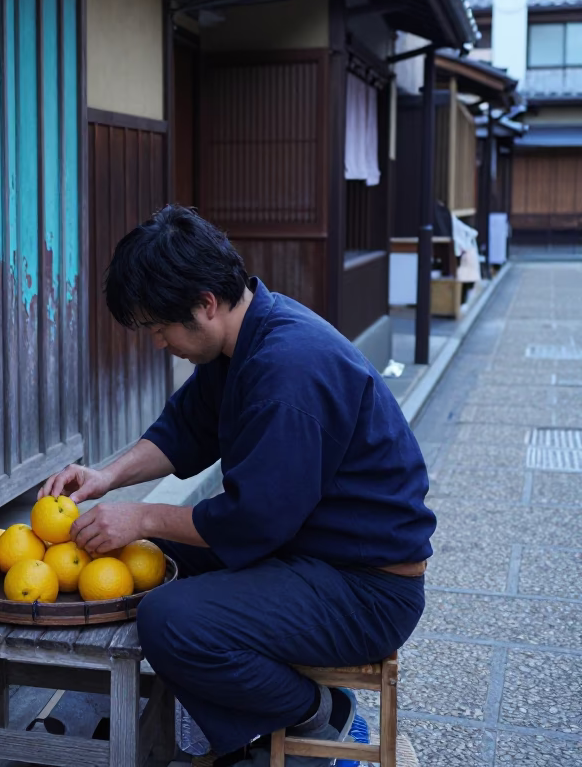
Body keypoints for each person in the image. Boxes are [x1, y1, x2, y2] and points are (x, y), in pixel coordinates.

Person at [40, 205, 435, 767]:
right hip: (310, 551)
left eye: (160, 328)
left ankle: (316, 714)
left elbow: (253, 521)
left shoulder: (289, 369)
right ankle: (226, 723)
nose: (158, 343)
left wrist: (144, 516)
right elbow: (184, 431)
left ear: (205, 303)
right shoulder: (245, 338)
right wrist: (107, 478)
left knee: (170, 617)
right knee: (147, 556)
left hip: (366, 590)